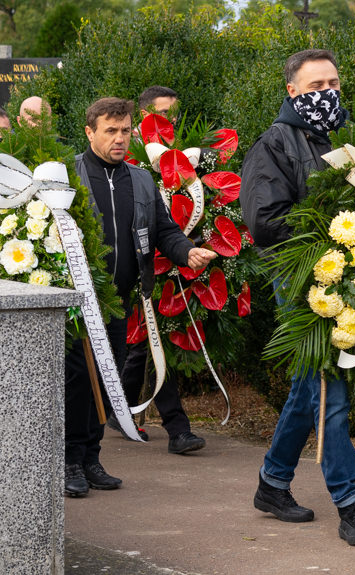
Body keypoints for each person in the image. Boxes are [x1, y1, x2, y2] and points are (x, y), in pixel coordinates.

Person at [239, 49, 355, 546]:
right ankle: (350, 502)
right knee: (330, 389)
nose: (328, 91)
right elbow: (263, 222)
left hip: (351, 277)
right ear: (294, 92)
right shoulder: (274, 144)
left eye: (334, 81)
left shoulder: (354, 137)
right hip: (303, 281)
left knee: (308, 387)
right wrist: (330, 235)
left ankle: (273, 483)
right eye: (316, 83)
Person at [65, 97, 217, 497]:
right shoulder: (68, 176)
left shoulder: (142, 180)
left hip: (117, 301)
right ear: (89, 132)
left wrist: (187, 251)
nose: (120, 139)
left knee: (108, 379)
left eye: (126, 131)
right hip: (77, 307)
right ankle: (69, 461)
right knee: (79, 381)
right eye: (110, 131)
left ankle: (92, 459)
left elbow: (163, 231)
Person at [107, 85, 207, 455]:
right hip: (130, 273)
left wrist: (189, 249)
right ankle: (177, 428)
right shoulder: (128, 162)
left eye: (175, 115)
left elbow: (167, 224)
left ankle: (124, 408)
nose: (171, 122)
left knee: (147, 345)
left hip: (171, 263)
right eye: (163, 114)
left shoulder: (183, 158)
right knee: (146, 343)